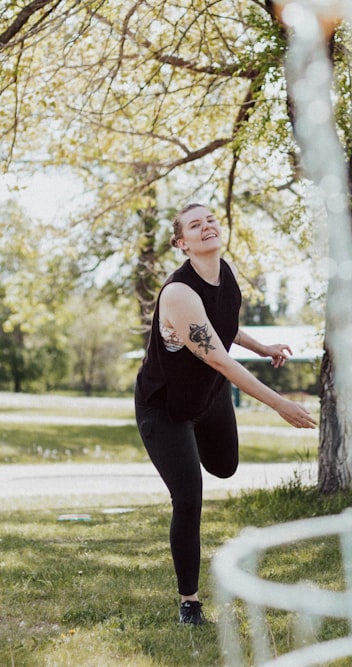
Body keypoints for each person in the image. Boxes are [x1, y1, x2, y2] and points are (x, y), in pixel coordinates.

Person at [134, 202, 317, 626]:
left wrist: (263, 348)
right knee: (189, 496)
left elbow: (223, 326)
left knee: (226, 466)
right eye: (195, 226)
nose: (207, 227)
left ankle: (189, 454)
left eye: (211, 220)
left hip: (207, 396)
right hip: (166, 408)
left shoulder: (224, 273)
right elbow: (219, 358)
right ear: (183, 244)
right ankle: (189, 603)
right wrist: (279, 404)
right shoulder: (178, 293)